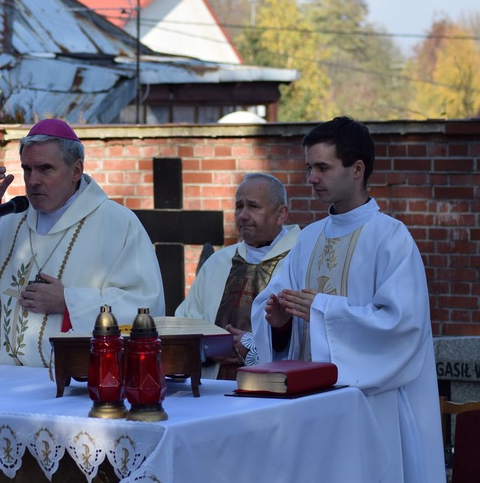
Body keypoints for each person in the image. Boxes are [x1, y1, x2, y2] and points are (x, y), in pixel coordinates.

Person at [251, 117, 444, 482]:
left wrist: (323, 310)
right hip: (310, 407)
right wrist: (280, 324)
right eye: (309, 167)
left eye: (323, 167)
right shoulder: (307, 239)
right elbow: (272, 307)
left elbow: (403, 326)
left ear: (357, 169)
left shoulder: (392, 239)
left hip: (374, 409)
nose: (311, 179)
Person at [0, 119, 165, 366]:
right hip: (2, 380)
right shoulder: (9, 220)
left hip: (73, 383)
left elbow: (145, 306)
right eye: (27, 169)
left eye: (45, 169)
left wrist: (68, 301)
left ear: (76, 171)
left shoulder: (118, 224)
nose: (33, 180)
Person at [174, 174, 300, 379]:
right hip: (213, 389)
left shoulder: (301, 260)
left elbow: (308, 334)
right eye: (239, 206)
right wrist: (211, 347)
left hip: (275, 389)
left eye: (253, 206)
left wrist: (252, 346)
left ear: (281, 214)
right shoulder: (217, 263)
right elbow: (186, 322)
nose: (243, 215)